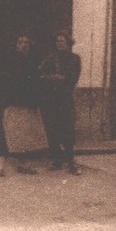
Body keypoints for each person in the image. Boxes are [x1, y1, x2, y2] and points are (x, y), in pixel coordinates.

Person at [0, 34, 42, 176]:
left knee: (24, 134)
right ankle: (0, 165)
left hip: (26, 101)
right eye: (21, 42)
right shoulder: (10, 60)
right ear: (16, 44)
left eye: (27, 43)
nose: (24, 45)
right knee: (8, 133)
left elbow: (33, 80)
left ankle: (22, 164)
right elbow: (8, 79)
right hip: (12, 101)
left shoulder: (31, 61)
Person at [38, 32, 82, 175]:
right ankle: (57, 159)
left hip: (65, 99)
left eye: (62, 41)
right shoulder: (51, 59)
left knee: (67, 130)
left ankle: (70, 162)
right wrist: (53, 78)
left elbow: (72, 79)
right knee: (52, 130)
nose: (59, 44)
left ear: (68, 43)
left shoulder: (75, 59)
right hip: (52, 100)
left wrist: (59, 79)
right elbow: (40, 74)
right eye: (57, 41)